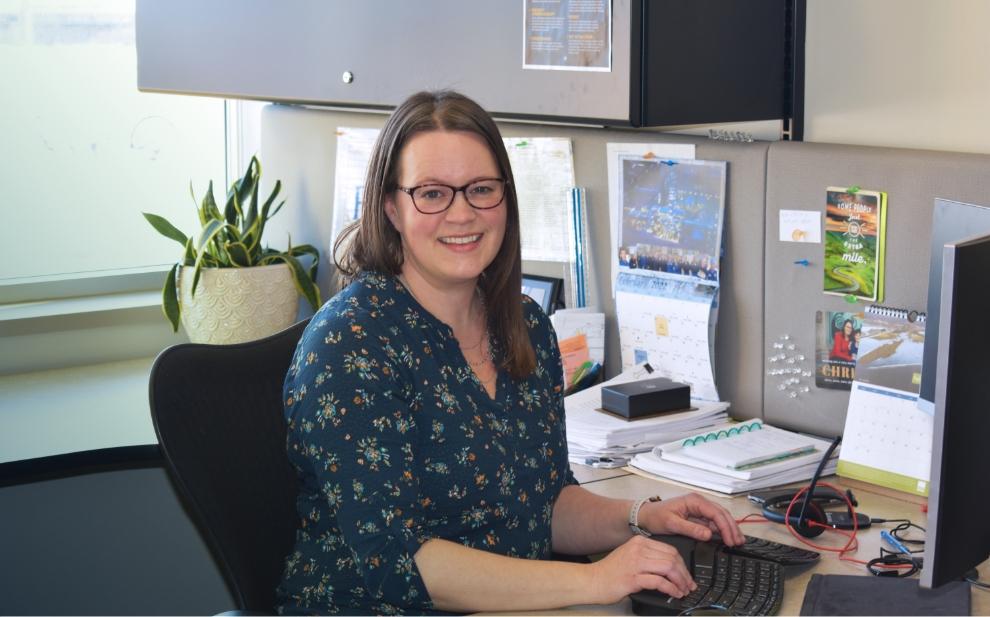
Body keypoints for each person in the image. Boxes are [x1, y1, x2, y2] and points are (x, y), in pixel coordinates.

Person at [276, 90, 743, 615]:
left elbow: (543, 505)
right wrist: (598, 581)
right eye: (432, 194)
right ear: (392, 206)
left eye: (481, 189)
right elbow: (398, 562)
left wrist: (641, 516)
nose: (462, 214)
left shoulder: (522, 325)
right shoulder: (352, 344)